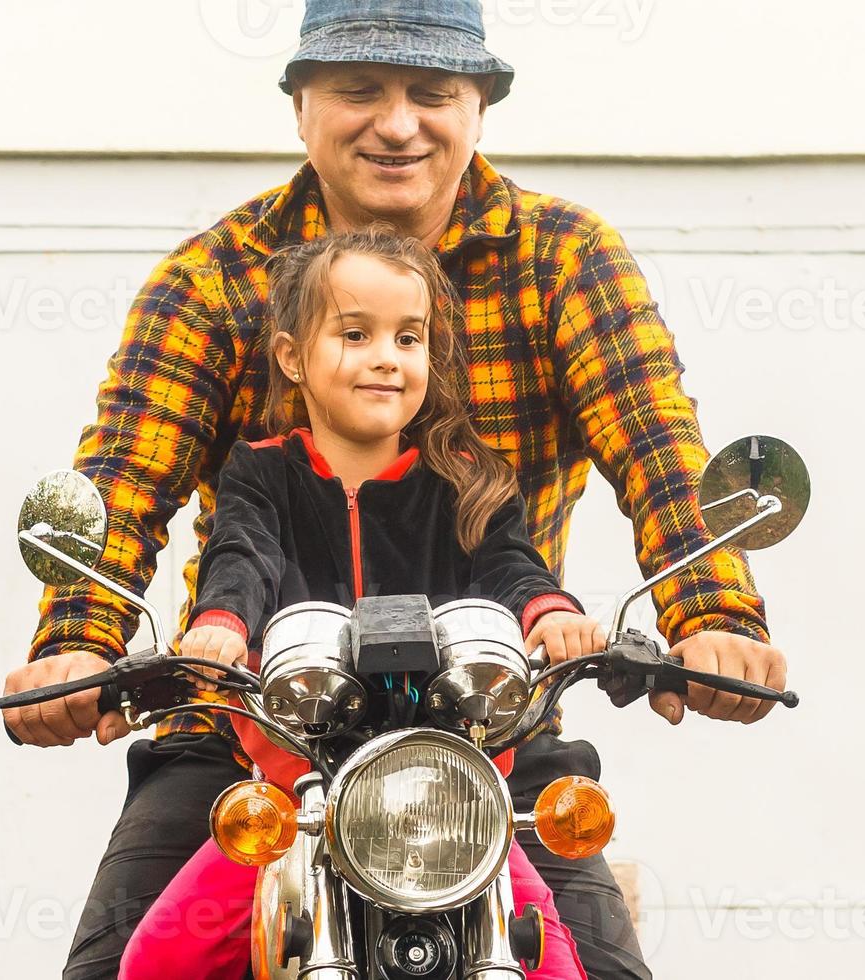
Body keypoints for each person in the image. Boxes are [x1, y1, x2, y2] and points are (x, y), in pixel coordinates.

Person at [0, 2, 792, 978]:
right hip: (251, 730)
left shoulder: (563, 257)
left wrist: (712, 615)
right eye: (358, 88)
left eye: (431, 91)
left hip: (487, 728)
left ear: (478, 108)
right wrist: (76, 640)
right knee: (117, 957)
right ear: (300, 104)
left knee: (601, 966)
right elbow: (125, 470)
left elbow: (653, 438)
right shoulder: (210, 279)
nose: (397, 121)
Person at [116, 225, 598, 980]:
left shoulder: (463, 477)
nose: (385, 356)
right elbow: (242, 555)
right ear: (290, 357)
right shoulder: (262, 473)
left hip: (454, 790)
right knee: (159, 958)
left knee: (555, 964)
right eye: (354, 333)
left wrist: (551, 614)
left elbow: (511, 563)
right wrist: (218, 625)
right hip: (298, 783)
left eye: (409, 338)